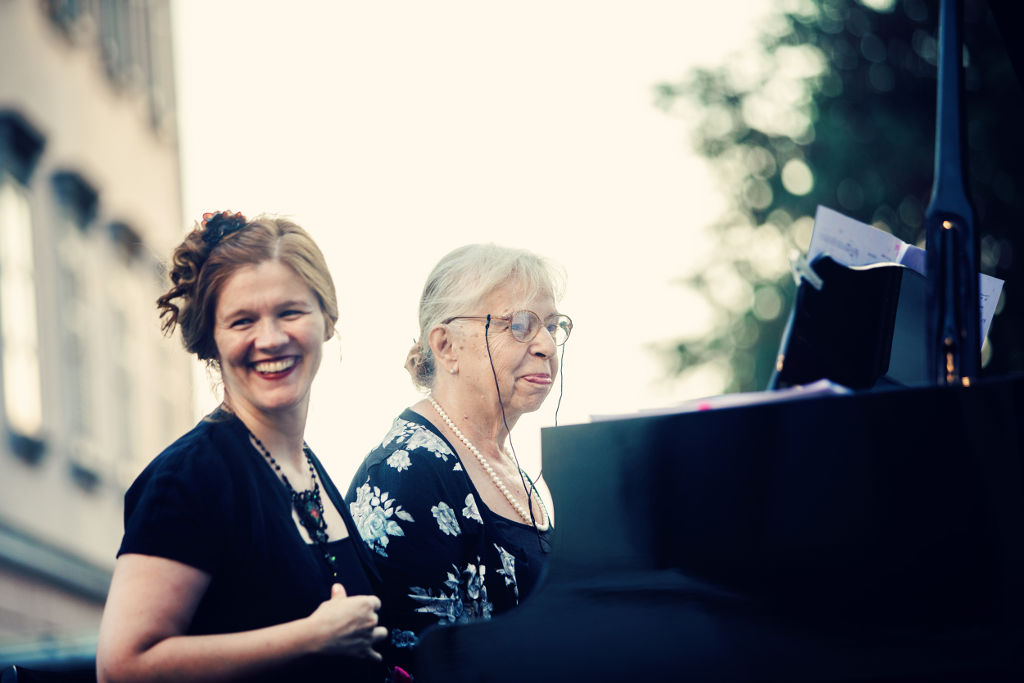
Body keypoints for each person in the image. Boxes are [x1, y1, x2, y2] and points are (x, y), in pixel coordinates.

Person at [96, 211, 387, 682]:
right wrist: (311, 638)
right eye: (242, 321)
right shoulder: (190, 478)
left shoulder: (306, 467)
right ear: (211, 339)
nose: (270, 339)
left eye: (290, 312)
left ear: (327, 320)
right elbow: (121, 667)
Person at [345, 243, 572, 677]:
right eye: (520, 324)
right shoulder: (406, 474)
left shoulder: (504, 465)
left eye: (552, 325)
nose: (545, 343)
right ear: (446, 346)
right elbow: (430, 664)